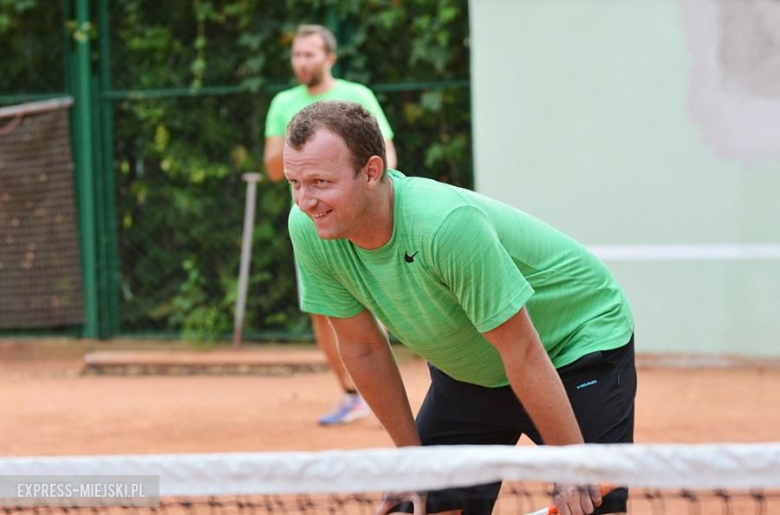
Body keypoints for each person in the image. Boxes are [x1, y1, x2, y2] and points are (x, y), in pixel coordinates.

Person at [285, 101, 637, 515]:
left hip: (571, 347)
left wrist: (570, 465)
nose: (306, 200)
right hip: (470, 375)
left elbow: (522, 350)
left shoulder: (445, 225)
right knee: (420, 504)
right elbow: (362, 348)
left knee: (590, 503)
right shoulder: (310, 228)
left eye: (321, 182)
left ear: (371, 172)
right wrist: (410, 464)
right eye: (295, 182)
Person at [264, 24, 397, 426]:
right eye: (297, 55)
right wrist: (305, 144)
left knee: (376, 306)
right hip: (314, 228)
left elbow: (386, 154)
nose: (301, 61)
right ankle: (352, 394)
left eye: (310, 54)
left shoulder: (358, 96)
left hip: (365, 222)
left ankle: (384, 394)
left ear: (330, 58)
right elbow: (273, 167)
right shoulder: (283, 103)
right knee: (323, 311)